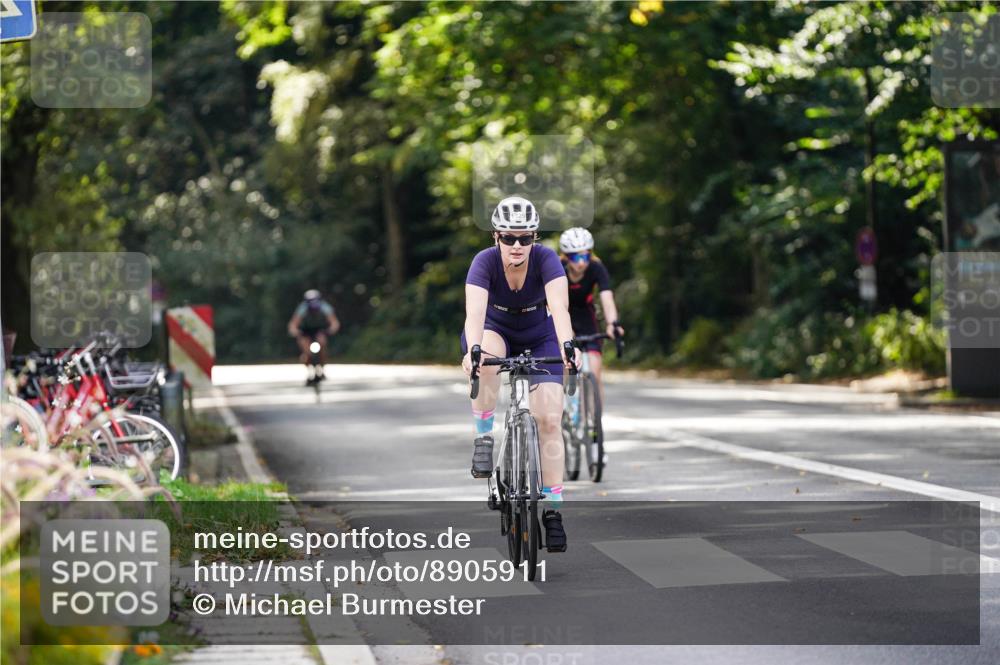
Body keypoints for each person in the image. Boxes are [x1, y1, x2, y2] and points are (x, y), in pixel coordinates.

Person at [461, 196, 579, 552]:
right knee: (486, 359)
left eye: (525, 238)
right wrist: (472, 351)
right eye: (509, 238)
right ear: (496, 236)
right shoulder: (483, 262)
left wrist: (568, 348)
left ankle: (553, 511)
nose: (517, 246)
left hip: (539, 333)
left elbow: (559, 309)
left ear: (535, 238)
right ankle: (484, 436)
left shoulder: (546, 260)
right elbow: (475, 316)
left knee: (549, 419)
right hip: (495, 328)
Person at [559, 227, 624, 398]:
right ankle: (567, 405)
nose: (581, 262)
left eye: (585, 256)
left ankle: (595, 421)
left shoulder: (596, 267)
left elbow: (607, 297)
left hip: (585, 315)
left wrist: (612, 324)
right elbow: (549, 303)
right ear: (566, 256)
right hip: (561, 313)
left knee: (595, 372)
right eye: (575, 257)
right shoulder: (558, 268)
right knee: (566, 364)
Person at [287, 289, 340, 385]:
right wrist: (296, 332)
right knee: (306, 350)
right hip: (305, 332)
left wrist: (329, 331)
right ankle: (309, 368)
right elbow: (293, 324)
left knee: (322, 343)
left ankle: (322, 367)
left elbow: (334, 323)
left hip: (320, 331)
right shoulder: (302, 308)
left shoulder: (325, 307)